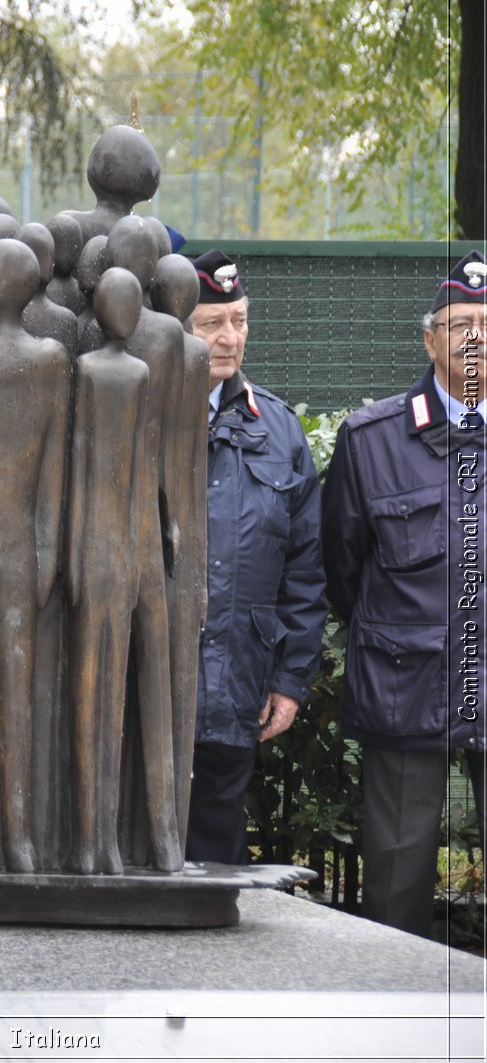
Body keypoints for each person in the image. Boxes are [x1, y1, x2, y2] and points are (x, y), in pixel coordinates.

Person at [322, 251, 487, 936]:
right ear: (429, 339)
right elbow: (342, 570)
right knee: (395, 882)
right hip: (403, 686)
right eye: (459, 326)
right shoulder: (372, 441)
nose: (476, 339)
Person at [186, 249, 327, 865]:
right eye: (210, 323)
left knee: (215, 859)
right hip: (145, 683)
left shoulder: (279, 430)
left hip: (236, 684)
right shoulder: (136, 416)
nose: (228, 338)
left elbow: (305, 569)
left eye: (239, 320)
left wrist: (291, 680)